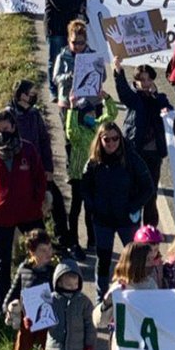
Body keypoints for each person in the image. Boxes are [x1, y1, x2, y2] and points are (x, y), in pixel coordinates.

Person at [0, 109, 46, 311]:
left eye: (5, 129)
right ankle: (3, 308)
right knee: (2, 262)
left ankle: (42, 303)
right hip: (1, 217)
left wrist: (36, 202)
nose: (1, 133)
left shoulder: (28, 150)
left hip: (29, 214)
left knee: (41, 253)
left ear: (14, 127)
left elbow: (40, 179)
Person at [81, 122, 155, 303]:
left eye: (115, 138)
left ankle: (138, 295)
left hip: (127, 221)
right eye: (107, 139)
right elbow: (85, 188)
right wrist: (93, 207)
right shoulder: (93, 163)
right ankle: (101, 299)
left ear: (120, 139)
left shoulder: (132, 159)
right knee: (103, 260)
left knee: (135, 259)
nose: (111, 143)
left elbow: (148, 187)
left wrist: (133, 206)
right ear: (100, 140)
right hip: (102, 220)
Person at [9, 79, 69, 252]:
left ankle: (63, 240)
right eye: (31, 93)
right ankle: (41, 246)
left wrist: (49, 168)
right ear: (21, 95)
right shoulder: (9, 116)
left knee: (57, 203)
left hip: (40, 170)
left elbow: (44, 141)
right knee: (34, 214)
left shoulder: (34, 114)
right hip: (22, 174)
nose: (34, 96)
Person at [113, 61, 172, 226]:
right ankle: (133, 227)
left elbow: (169, 110)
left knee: (151, 192)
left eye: (148, 80)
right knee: (135, 191)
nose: (145, 83)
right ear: (136, 81)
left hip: (154, 153)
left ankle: (150, 230)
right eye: (142, 80)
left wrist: (165, 108)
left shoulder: (159, 98)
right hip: (136, 151)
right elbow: (123, 92)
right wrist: (118, 71)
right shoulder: (134, 98)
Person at [65, 95, 118, 259]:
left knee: (91, 210)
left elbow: (112, 114)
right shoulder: (77, 133)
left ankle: (92, 241)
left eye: (94, 113)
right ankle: (73, 241)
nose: (93, 116)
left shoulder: (97, 127)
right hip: (77, 177)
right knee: (75, 210)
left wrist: (106, 98)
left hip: (93, 177)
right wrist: (72, 108)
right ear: (81, 115)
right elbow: (70, 129)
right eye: (89, 114)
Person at [3, 229, 54, 350]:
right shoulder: (24, 269)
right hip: (28, 318)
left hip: (47, 318)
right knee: (21, 349)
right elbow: (14, 290)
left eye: (50, 248)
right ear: (32, 252)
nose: (48, 253)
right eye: (43, 250)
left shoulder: (53, 271)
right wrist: (7, 306)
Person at [45, 259, 96, 350]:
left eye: (75, 284)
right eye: (69, 284)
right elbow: (41, 316)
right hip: (57, 342)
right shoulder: (51, 299)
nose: (73, 287)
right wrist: (31, 321)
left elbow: (90, 323)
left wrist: (89, 341)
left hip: (76, 344)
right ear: (59, 282)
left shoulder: (83, 301)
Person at [44, 0, 86, 101]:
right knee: (55, 59)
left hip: (67, 29)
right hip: (56, 30)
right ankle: (53, 90)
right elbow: (63, 6)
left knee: (69, 58)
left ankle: (68, 87)